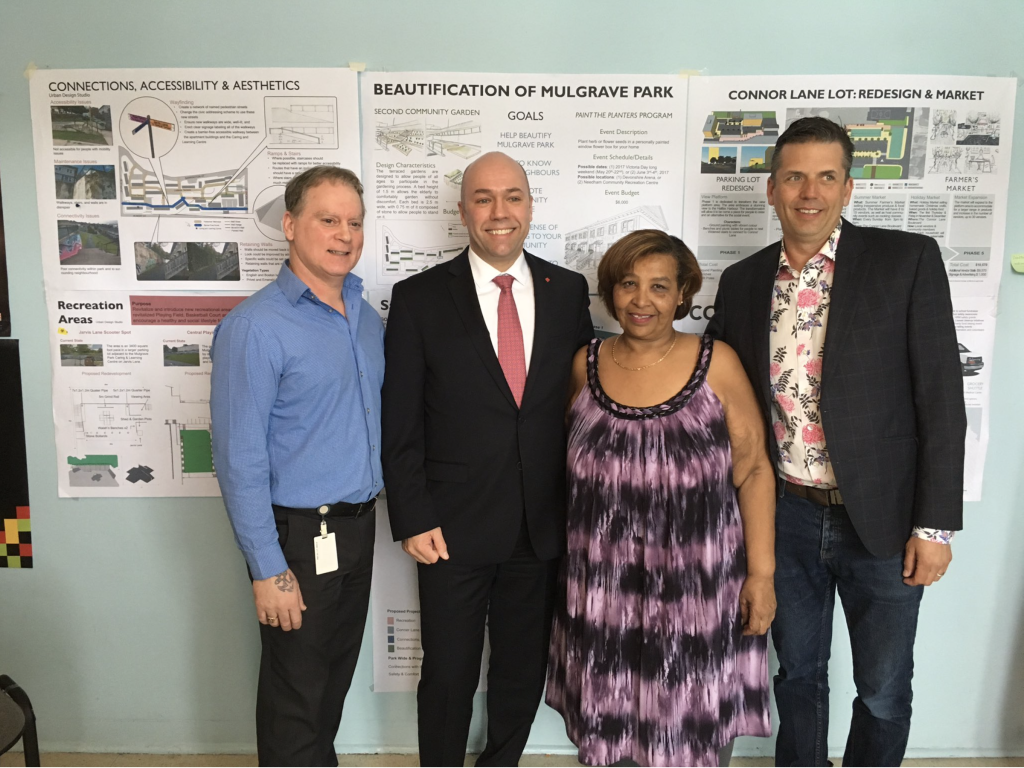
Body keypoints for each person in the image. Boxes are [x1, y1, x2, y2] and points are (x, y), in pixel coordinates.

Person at [706, 116, 966, 767]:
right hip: (785, 515)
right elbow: (730, 410)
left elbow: (940, 400)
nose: (809, 192)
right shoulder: (741, 281)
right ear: (772, 189)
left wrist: (934, 528)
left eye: (826, 177)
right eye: (794, 176)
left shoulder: (905, 261)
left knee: (881, 690)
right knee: (798, 677)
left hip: (881, 517)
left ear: (848, 188)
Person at [381, 151, 594, 766]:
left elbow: (579, 403)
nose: (499, 212)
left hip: (542, 523)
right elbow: (401, 420)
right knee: (447, 673)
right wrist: (413, 516)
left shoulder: (567, 290)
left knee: (522, 668)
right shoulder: (419, 298)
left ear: (530, 206)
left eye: (512, 197)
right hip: (449, 526)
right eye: (483, 198)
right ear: (463, 210)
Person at [545, 230, 775, 767]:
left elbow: (756, 469)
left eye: (658, 286)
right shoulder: (585, 365)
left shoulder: (716, 364)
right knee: (610, 725)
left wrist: (760, 576)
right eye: (628, 284)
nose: (641, 300)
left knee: (690, 731)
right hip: (603, 589)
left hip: (696, 590)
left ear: (682, 294)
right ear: (610, 291)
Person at [210, 166, 383, 767]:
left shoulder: (365, 315)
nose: (344, 234)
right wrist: (268, 569)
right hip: (299, 539)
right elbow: (238, 459)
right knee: (295, 698)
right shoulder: (254, 328)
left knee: (328, 688)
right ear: (290, 225)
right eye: (327, 219)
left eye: (354, 222)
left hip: (359, 529)